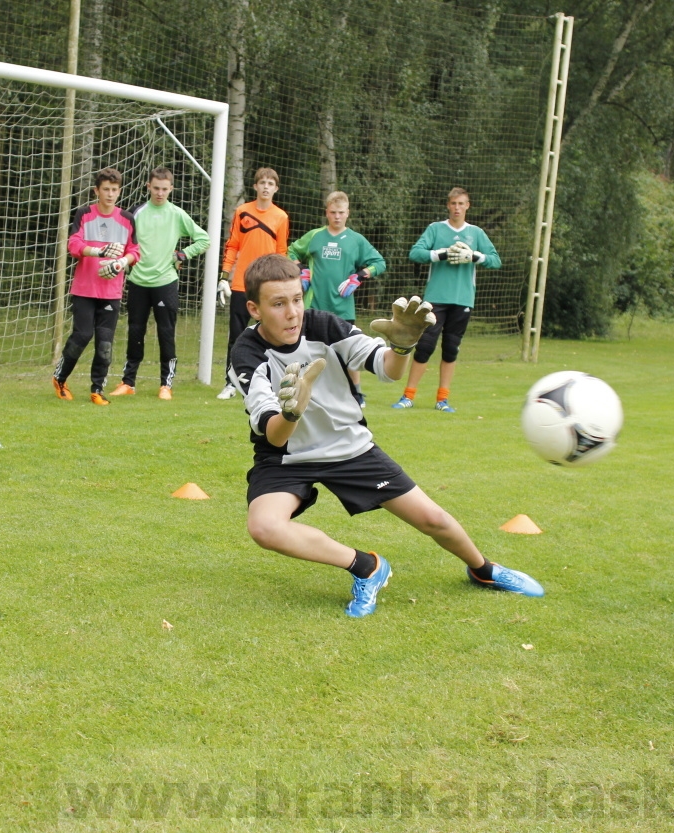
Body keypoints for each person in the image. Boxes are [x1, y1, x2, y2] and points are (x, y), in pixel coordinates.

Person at [231, 254, 544, 618]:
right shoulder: (247, 354)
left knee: (434, 520)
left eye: (297, 299)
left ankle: (483, 569)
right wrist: (292, 412)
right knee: (264, 527)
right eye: (278, 304)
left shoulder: (326, 326)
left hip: (349, 448)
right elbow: (274, 434)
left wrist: (403, 346)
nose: (292, 312)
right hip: (286, 457)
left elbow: (388, 370)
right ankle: (366, 567)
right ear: (254, 308)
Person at [394, 186, 500, 413]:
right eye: (453, 203)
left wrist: (474, 256)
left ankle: (442, 400)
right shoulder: (435, 229)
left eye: (461, 203)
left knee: (451, 349)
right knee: (424, 346)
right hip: (436, 299)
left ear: (467, 206)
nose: (457, 208)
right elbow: (415, 253)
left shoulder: (476, 233)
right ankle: (408, 396)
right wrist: (439, 254)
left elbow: (495, 260)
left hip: (463, 299)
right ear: (448, 205)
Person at [109, 167, 210, 401]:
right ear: (148, 187)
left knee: (166, 333)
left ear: (171, 189)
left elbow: (204, 239)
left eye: (165, 189)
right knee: (135, 330)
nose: (160, 193)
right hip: (138, 281)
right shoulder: (136, 213)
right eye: (156, 188)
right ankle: (128, 382)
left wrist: (182, 255)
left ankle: (166, 384)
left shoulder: (177, 214)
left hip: (166, 282)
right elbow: (124, 241)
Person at [287, 190, 385, 407]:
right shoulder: (315, 236)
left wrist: (359, 277)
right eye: (333, 212)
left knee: (349, 353)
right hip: (314, 306)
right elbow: (291, 251)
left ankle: (356, 392)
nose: (337, 216)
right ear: (327, 213)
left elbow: (379, 262)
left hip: (343, 308)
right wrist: (301, 269)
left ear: (347, 213)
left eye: (341, 212)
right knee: (309, 351)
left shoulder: (356, 240)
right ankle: (306, 393)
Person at [54, 167, 141, 405]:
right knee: (82, 335)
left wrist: (121, 262)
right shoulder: (84, 214)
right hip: (84, 289)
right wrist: (98, 251)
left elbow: (134, 251)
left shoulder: (127, 219)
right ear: (97, 191)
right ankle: (60, 379)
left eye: (114, 190)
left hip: (110, 292)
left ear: (119, 191)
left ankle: (97, 390)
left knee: (105, 343)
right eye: (106, 190)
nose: (110, 194)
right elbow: (74, 245)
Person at [216, 167, 289, 400]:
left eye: (270, 183)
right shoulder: (242, 211)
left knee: (272, 333)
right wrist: (223, 276)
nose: (266, 187)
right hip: (241, 284)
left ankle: (271, 380)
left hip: (267, 286)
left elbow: (281, 253)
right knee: (236, 335)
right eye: (262, 182)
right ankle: (230, 381)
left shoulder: (281, 217)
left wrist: (281, 283)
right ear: (255, 186)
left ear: (276, 188)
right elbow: (233, 245)